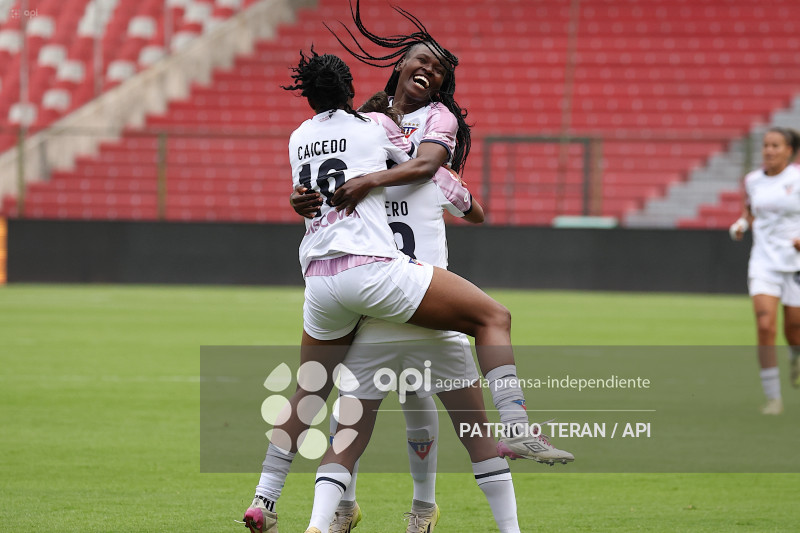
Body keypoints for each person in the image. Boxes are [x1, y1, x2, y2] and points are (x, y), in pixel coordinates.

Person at [730, 126, 800, 415]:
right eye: (766, 145)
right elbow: (750, 211)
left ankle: (795, 355)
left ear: (789, 150)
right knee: (764, 326)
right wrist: (742, 225)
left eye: (776, 145)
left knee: (794, 328)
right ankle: (773, 398)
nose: (769, 150)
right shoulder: (753, 180)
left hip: (795, 263)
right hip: (763, 261)